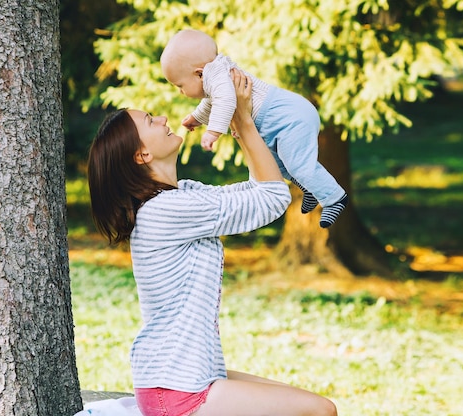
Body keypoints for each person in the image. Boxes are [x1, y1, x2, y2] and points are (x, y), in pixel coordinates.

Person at [87, 70, 338, 416]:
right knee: (320, 410)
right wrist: (244, 120)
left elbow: (258, 192)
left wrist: (242, 123)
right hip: (175, 388)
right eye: (149, 120)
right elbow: (273, 198)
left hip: (186, 376)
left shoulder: (183, 195)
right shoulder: (166, 210)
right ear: (141, 155)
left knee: (308, 403)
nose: (161, 118)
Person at [160, 28, 348, 228]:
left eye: (180, 85)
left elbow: (225, 101)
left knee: (299, 165)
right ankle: (310, 188)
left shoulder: (217, 77)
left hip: (290, 118)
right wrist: (197, 118)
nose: (181, 92)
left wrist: (212, 132)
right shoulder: (215, 76)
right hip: (282, 120)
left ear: (199, 74)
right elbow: (213, 102)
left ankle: (334, 198)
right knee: (277, 165)